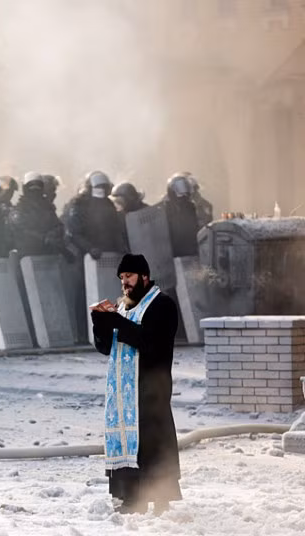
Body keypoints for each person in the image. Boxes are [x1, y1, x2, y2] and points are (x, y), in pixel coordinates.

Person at [90, 253, 182, 515]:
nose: (124, 283)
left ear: (144, 276)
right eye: (121, 278)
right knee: (127, 442)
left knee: (151, 443)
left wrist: (116, 321)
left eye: (128, 276)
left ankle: (159, 497)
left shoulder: (162, 304)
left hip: (151, 389)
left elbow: (151, 343)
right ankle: (129, 496)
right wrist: (100, 322)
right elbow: (106, 347)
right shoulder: (123, 307)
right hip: (122, 393)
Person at [64, 170, 127, 259]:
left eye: (105, 187)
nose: (103, 190)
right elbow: (74, 233)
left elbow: (115, 228)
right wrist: (90, 248)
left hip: (109, 253)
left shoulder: (109, 204)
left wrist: (120, 246)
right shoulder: (80, 204)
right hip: (85, 256)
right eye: (100, 187)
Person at [9, 173, 73, 260]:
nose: (35, 191)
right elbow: (22, 230)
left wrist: (53, 234)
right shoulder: (20, 209)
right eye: (31, 187)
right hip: (28, 254)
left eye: (38, 187)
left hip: (48, 254)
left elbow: (58, 225)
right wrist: (44, 238)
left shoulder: (48, 208)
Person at [160, 174, 200, 258]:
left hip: (191, 251)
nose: (183, 198)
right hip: (172, 253)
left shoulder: (190, 206)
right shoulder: (164, 208)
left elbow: (194, 227)